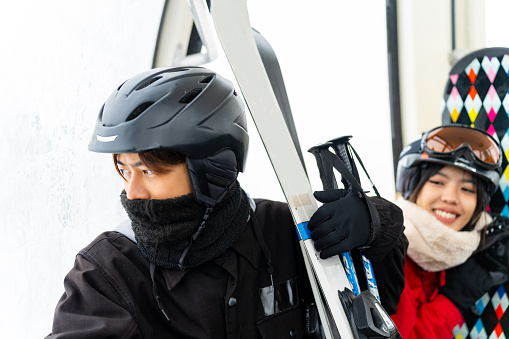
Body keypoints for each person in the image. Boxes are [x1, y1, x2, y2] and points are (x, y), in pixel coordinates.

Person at [46, 66, 406, 338]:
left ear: (212, 168)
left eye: (148, 171)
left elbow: (382, 300)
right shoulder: (107, 275)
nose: (132, 192)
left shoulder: (290, 233)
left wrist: (374, 224)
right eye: (124, 171)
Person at [391, 124, 506, 338]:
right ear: (411, 186)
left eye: (467, 189)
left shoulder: (462, 249)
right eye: (437, 182)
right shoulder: (387, 255)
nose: (450, 197)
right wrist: (452, 301)